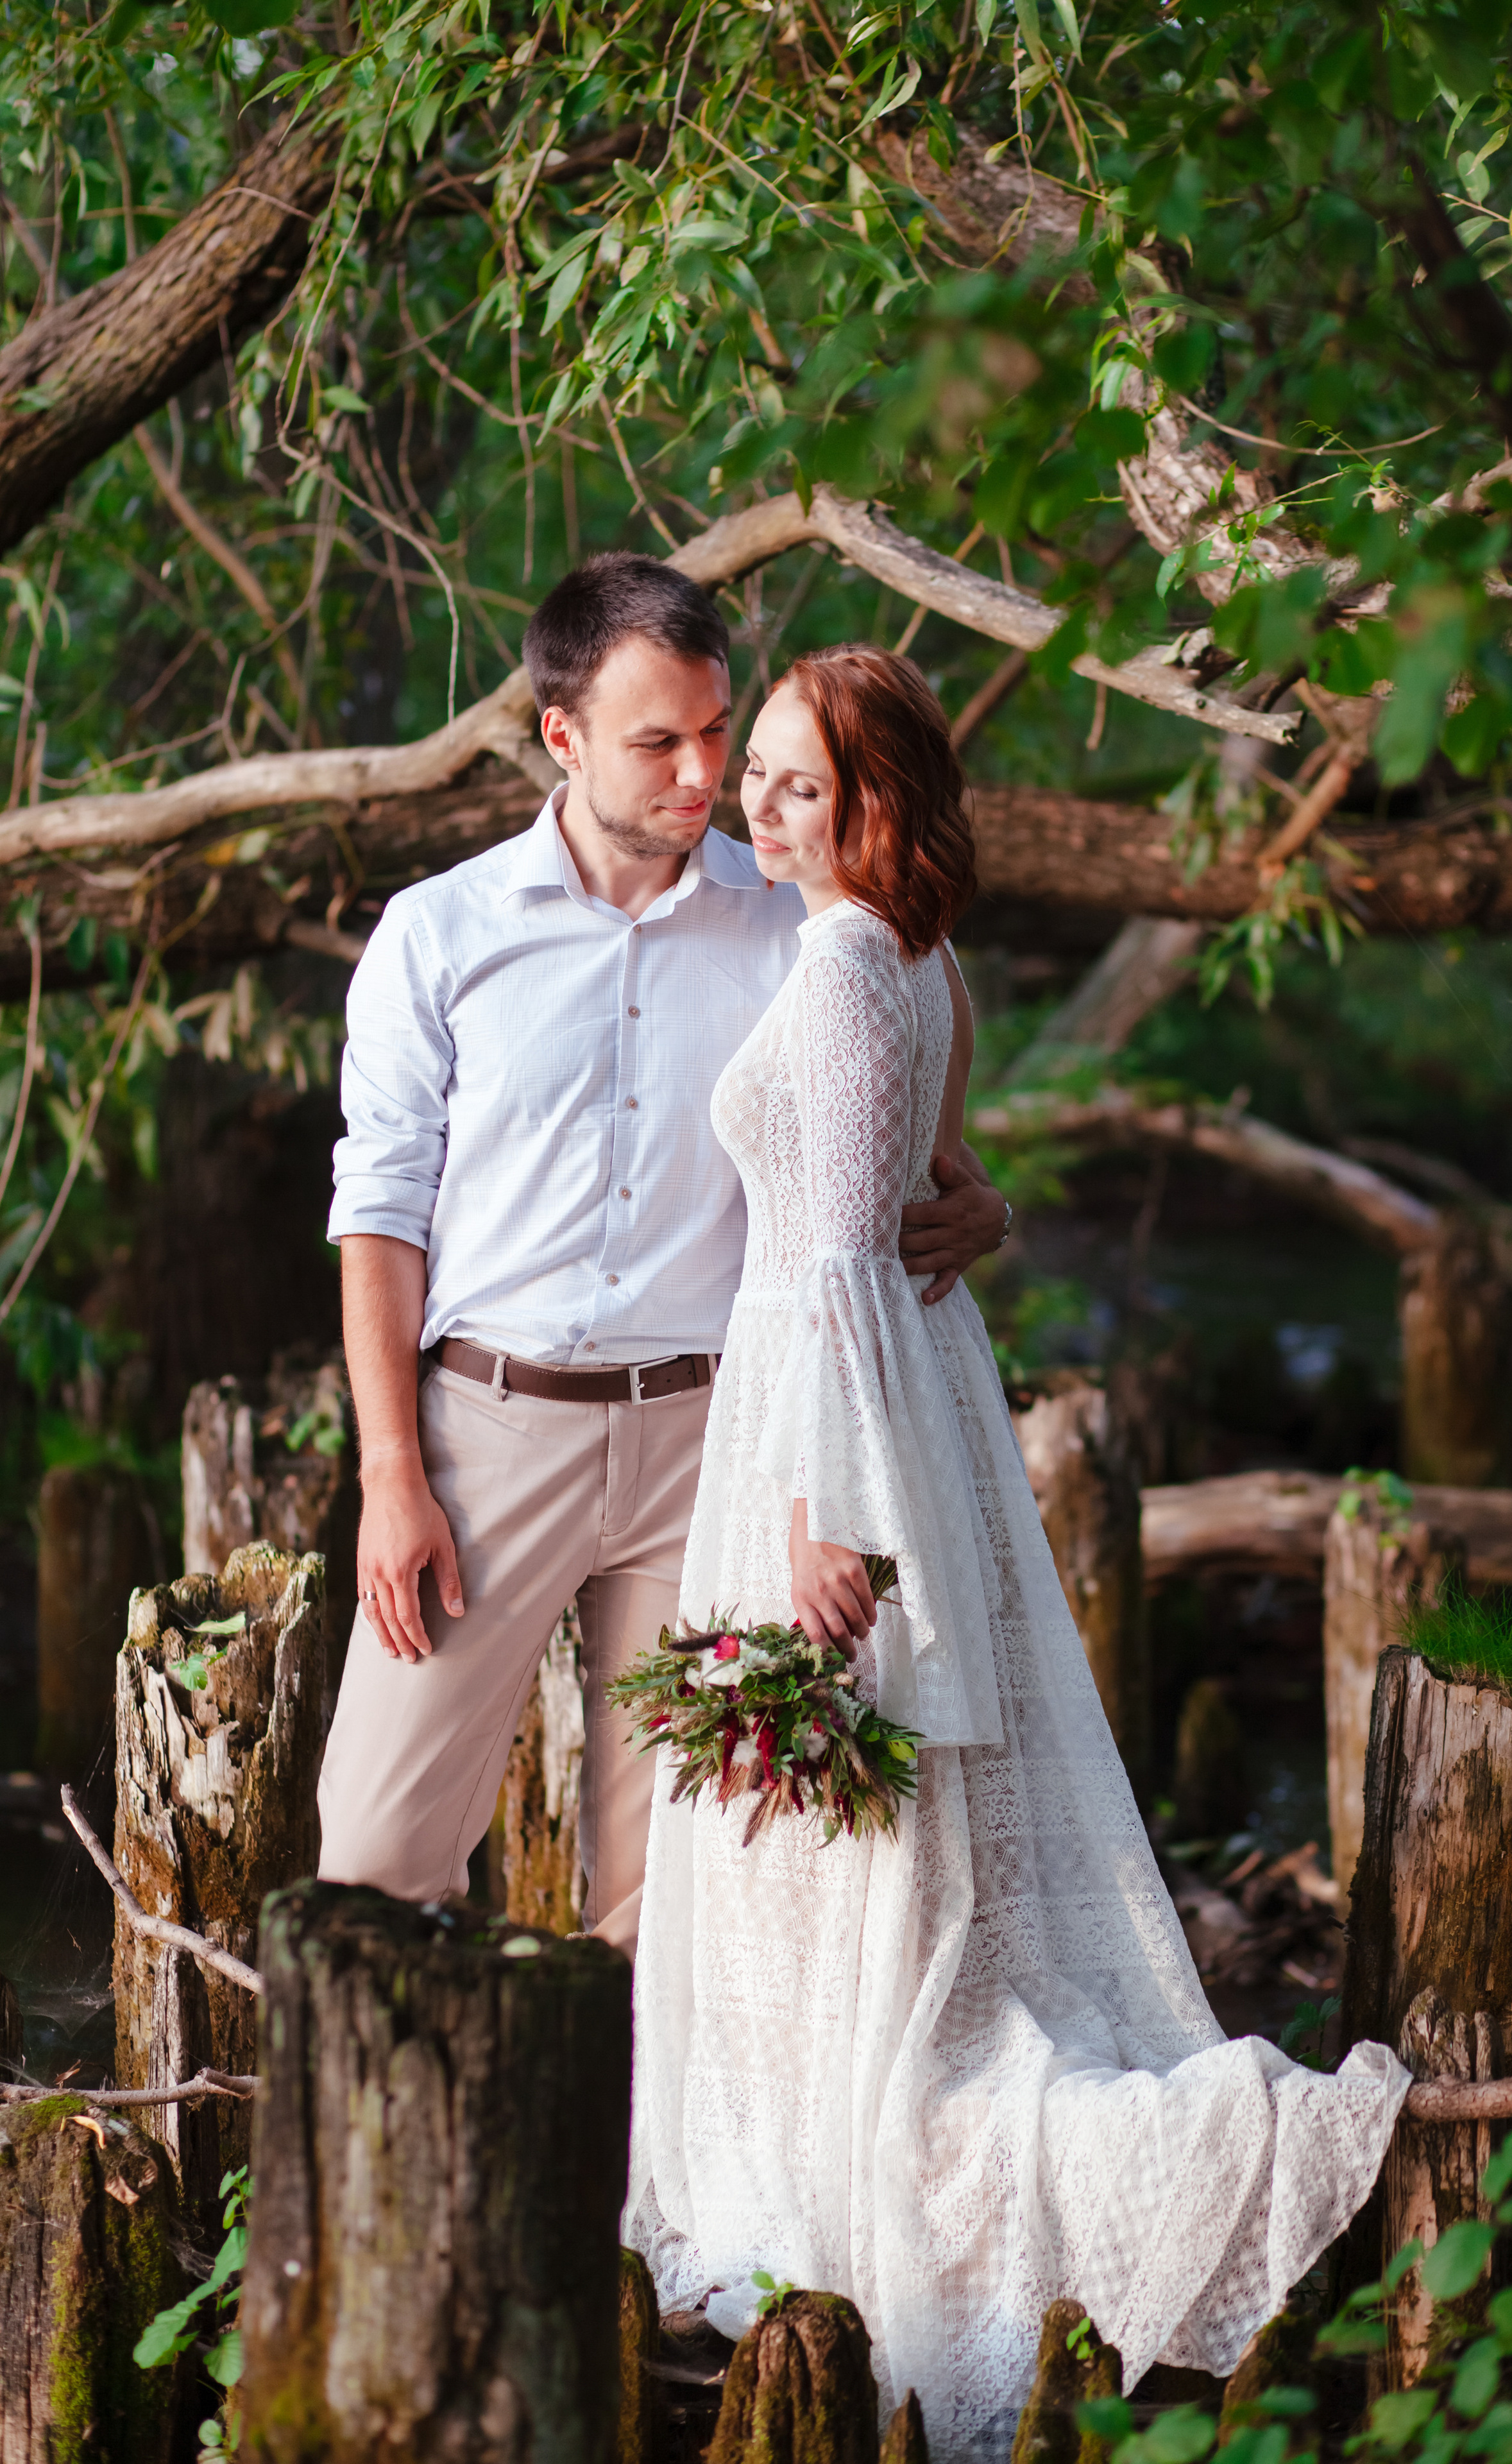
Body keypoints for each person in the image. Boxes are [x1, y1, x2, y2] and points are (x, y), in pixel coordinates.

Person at [624, 646, 1409, 2456]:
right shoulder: (927, 961)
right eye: (753, 774)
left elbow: (832, 1269)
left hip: (831, 1431)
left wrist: (817, 1529)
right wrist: (973, 1221)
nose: (757, 803)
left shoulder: (839, 974)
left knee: (828, 1821)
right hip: (925, 1402)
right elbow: (948, 1197)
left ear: (874, 803)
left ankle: (845, 2185)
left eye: (797, 785)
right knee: (880, 1826)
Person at [316, 556, 1007, 1952]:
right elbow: (378, 1215)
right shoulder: (434, 936)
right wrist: (392, 1476)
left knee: (679, 1898)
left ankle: (632, 2176)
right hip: (487, 1434)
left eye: (716, 730)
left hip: (720, 1444)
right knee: (373, 1861)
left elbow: (911, 1054)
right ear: (560, 736)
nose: (705, 775)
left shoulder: (801, 915)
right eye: (658, 743)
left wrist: (974, 1195)